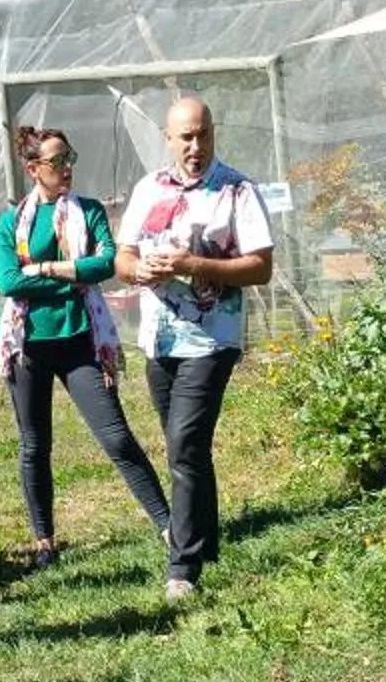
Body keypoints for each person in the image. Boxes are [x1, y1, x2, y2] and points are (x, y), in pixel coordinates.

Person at [0, 126, 171, 574]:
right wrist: (72, 278)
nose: (67, 167)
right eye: (57, 161)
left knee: (116, 437)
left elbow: (105, 264)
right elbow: (9, 282)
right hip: (27, 343)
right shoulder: (12, 221)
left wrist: (49, 267)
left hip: (80, 340)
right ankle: (45, 541)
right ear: (34, 170)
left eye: (70, 157)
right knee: (35, 445)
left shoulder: (89, 211)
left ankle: (171, 528)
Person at [117, 96, 275, 602]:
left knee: (184, 443)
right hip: (159, 338)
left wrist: (194, 266)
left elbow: (260, 266)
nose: (196, 145)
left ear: (213, 133)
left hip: (211, 339)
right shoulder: (148, 189)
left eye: (203, 134)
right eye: (185, 136)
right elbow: (123, 255)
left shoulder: (237, 190)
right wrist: (136, 270)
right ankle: (205, 544)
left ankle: (182, 568)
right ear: (168, 139)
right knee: (185, 446)